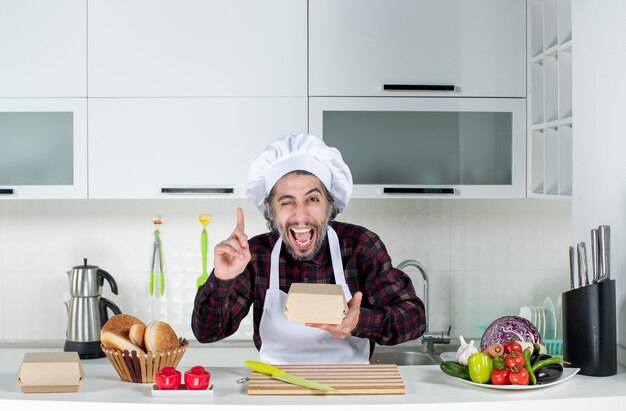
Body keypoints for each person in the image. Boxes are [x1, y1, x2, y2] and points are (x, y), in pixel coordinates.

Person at [192, 133, 425, 364]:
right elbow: (207, 333)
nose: (301, 215)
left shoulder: (360, 246)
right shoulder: (254, 255)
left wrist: (361, 320)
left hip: (350, 389)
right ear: (270, 209)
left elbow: (414, 319)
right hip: (276, 389)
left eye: (312, 199)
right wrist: (222, 279)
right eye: (286, 201)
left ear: (329, 205)